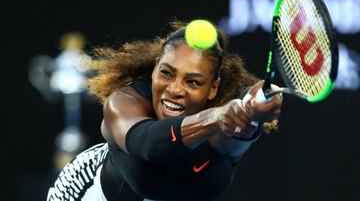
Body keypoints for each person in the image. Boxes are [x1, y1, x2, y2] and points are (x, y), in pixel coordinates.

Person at [46, 19, 282, 201]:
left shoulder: (222, 124)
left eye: (193, 82)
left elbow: (233, 139)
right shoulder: (123, 103)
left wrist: (251, 116)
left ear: (213, 89)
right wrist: (214, 117)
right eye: (166, 73)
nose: (175, 90)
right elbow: (148, 143)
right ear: (155, 66)